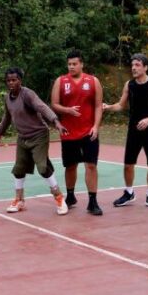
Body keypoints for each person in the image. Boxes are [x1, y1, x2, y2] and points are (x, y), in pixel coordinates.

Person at [0, 68, 69, 215]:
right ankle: (19, 200)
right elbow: (7, 117)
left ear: (20, 81)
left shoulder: (27, 94)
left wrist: (56, 122)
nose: (11, 83)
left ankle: (59, 197)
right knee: (19, 169)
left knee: (42, 167)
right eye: (8, 80)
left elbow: (42, 107)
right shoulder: (7, 98)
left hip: (38, 135)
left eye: (14, 80)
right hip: (23, 137)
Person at [103, 53, 148, 208]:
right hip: (133, 130)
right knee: (128, 164)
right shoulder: (130, 85)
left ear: (145, 67)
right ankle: (129, 193)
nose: (133, 68)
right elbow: (121, 105)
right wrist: (108, 107)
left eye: (137, 65)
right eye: (132, 65)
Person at [50, 49, 104, 215]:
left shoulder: (93, 81)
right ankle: (71, 196)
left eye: (74, 64)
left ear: (81, 64)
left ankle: (93, 201)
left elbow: (98, 106)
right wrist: (67, 110)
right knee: (71, 166)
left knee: (91, 166)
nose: (71, 67)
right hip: (69, 132)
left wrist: (96, 126)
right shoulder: (61, 81)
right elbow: (54, 104)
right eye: (69, 64)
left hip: (89, 131)